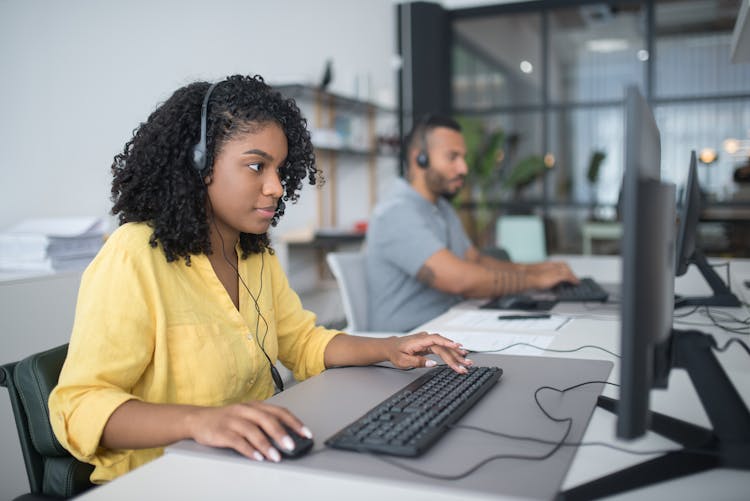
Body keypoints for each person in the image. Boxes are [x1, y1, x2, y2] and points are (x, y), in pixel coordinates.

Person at [48, 76, 471, 484]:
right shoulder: (135, 254)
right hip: (162, 480)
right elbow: (80, 404)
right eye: (256, 166)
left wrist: (390, 347)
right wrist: (201, 422)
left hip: (244, 469)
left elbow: (302, 343)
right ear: (198, 163)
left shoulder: (254, 254)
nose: (275, 187)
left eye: (279, 170)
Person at [366, 114, 578, 332]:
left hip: (450, 324)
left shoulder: (441, 208)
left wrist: (535, 268)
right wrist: (534, 280)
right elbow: (460, 280)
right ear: (419, 158)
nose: (463, 169)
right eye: (452, 157)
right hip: (409, 341)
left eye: (463, 158)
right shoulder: (396, 212)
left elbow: (475, 260)